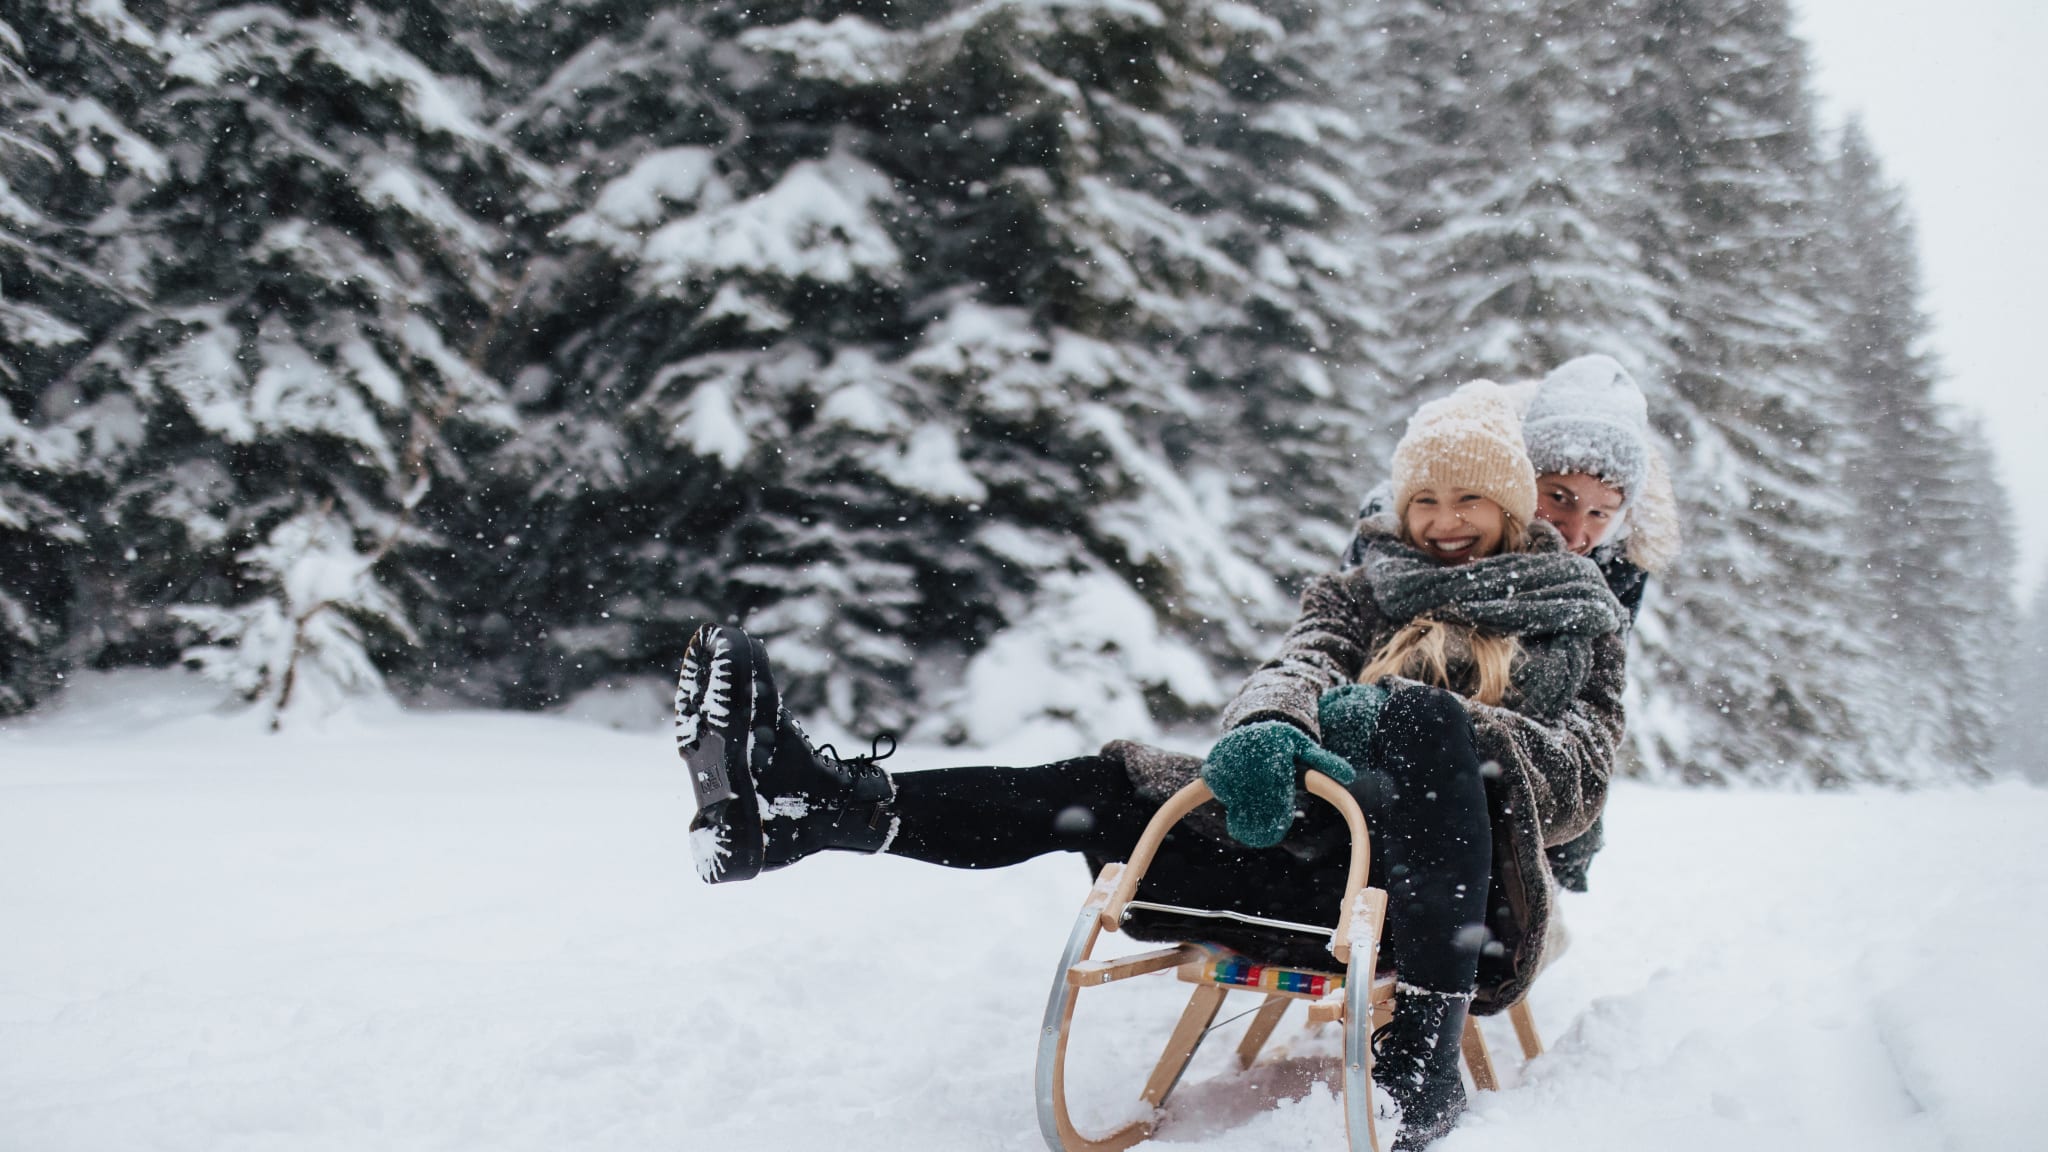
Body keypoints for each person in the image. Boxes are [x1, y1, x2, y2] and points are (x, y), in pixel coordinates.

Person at [682, 382, 1628, 1149]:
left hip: (1465, 907)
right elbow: (1295, 666)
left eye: (1468, 499)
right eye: (1425, 498)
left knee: (1424, 724)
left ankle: (1417, 1063)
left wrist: (1422, 725)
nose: (1443, 520)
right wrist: (1269, 724)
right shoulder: (1358, 591)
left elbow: (1582, 781)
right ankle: (820, 809)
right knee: (1105, 788)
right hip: (1311, 875)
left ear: (1507, 508)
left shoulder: (1579, 620)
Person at [1345, 355, 1681, 890]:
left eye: (1602, 512)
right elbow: (1346, 635)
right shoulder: (1423, 535)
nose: (1577, 531)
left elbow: (1593, 701)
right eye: (1559, 499)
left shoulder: (1615, 569)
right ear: (1518, 484)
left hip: (1510, 770)